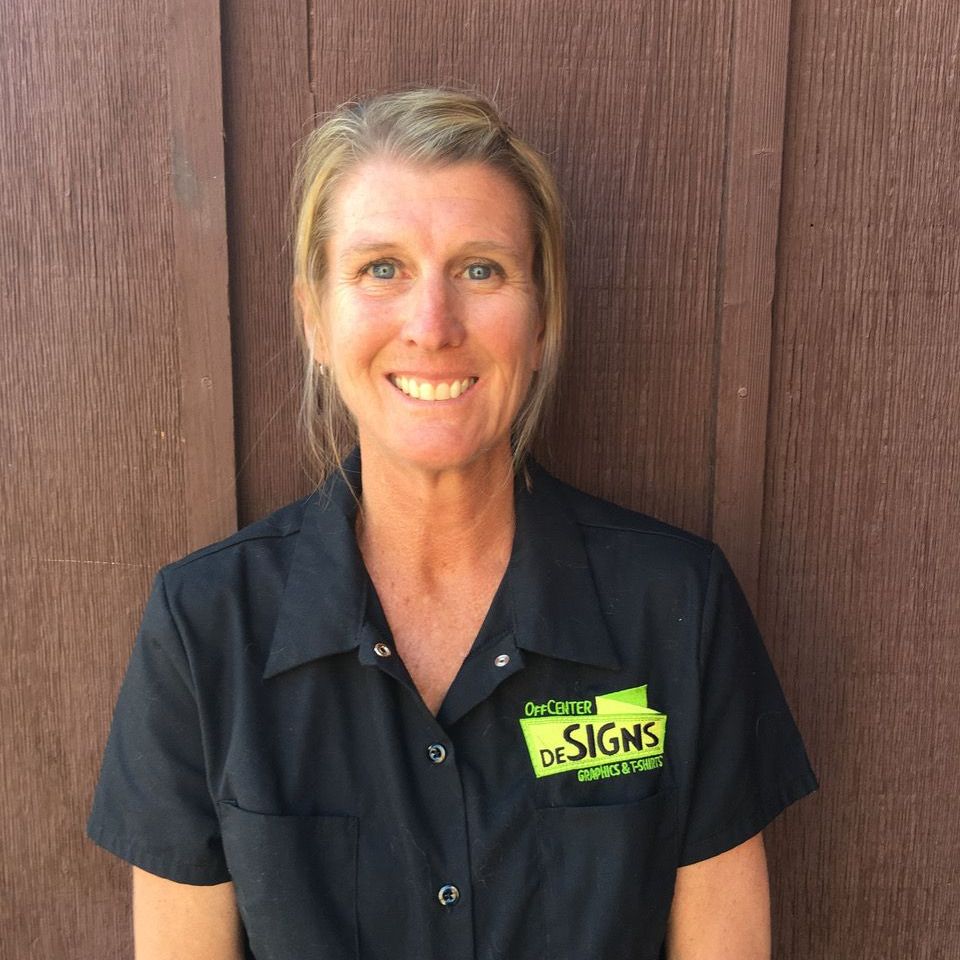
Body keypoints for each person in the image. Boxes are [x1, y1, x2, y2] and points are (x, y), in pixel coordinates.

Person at [87, 88, 817, 960]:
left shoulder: (675, 606)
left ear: (540, 319)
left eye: (480, 269)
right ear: (315, 317)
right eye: (381, 269)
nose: (432, 327)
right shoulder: (206, 626)